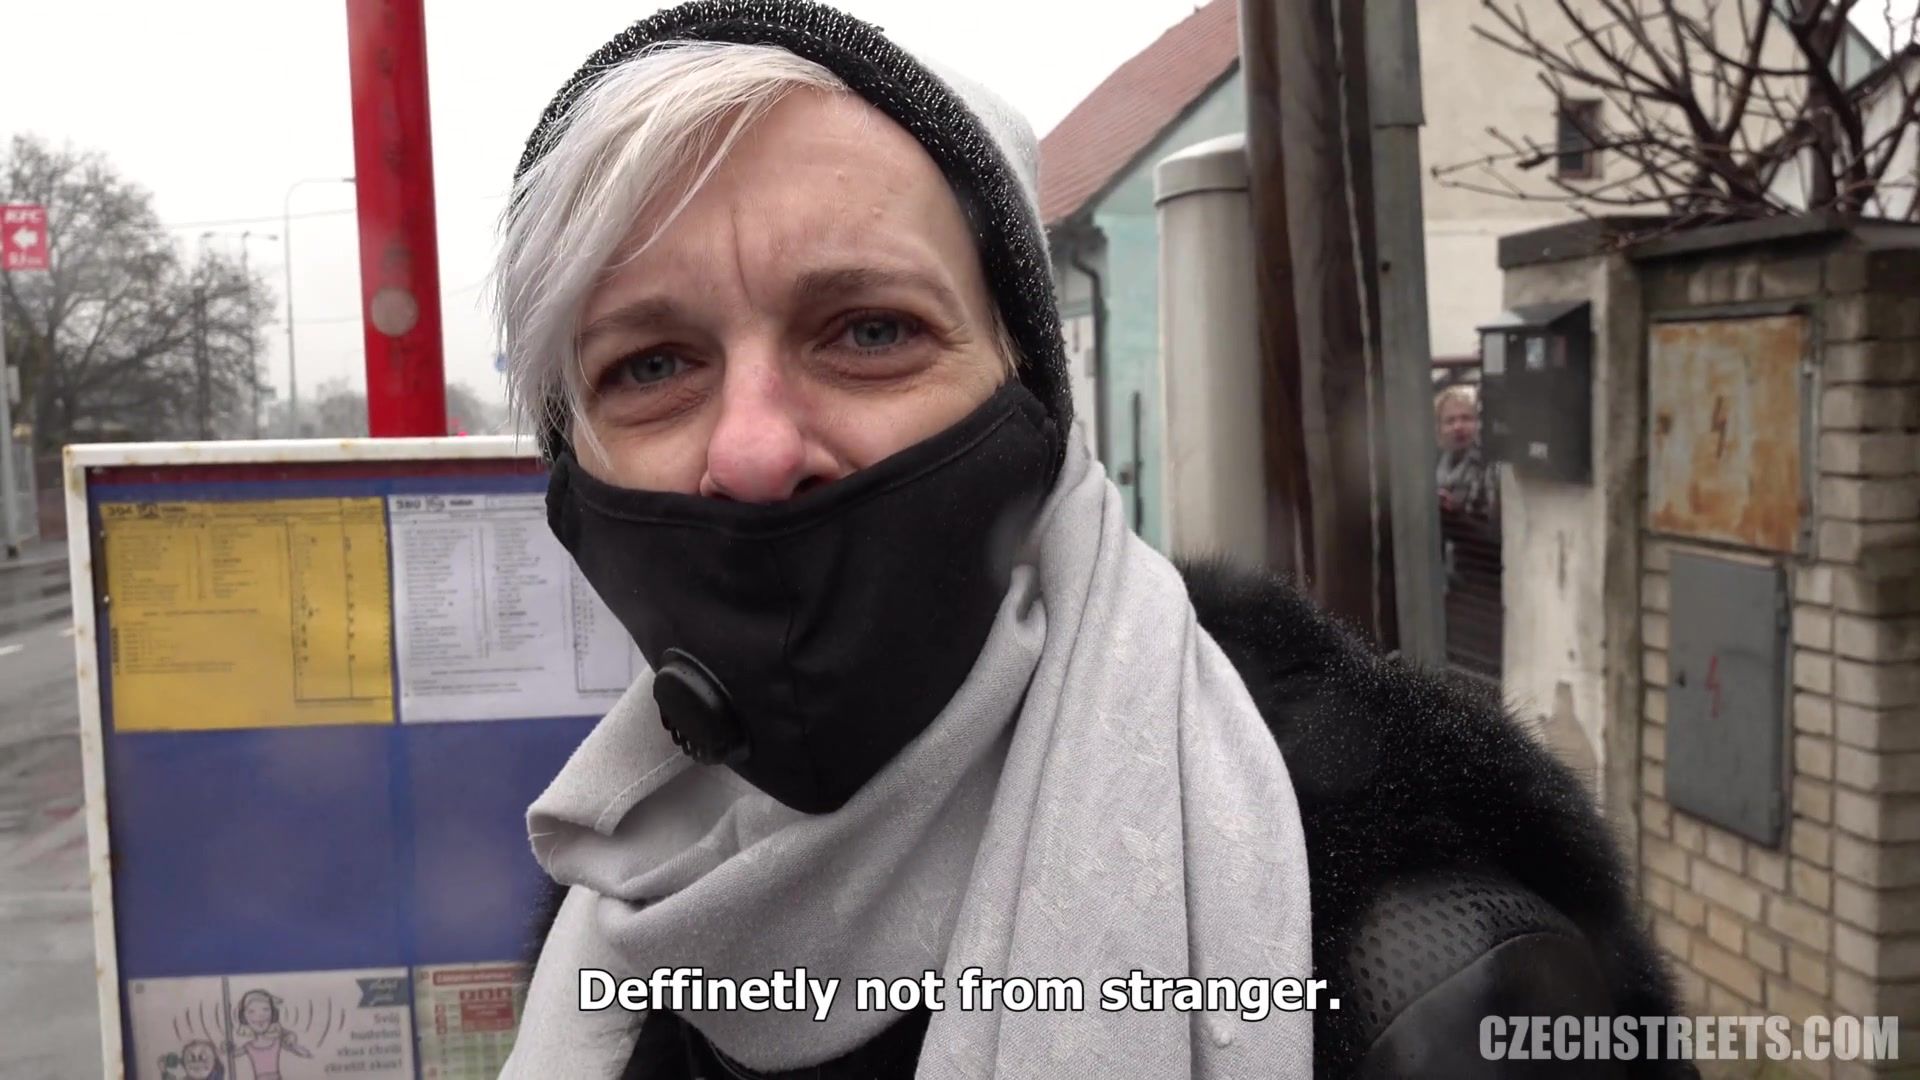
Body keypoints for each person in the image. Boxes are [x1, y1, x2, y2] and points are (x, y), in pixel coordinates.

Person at [498, 3, 1691, 1077]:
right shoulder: (624, 896)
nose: (757, 450)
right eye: (649, 366)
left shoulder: (1425, 961)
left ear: (1035, 407)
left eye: (870, 331)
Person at [1434, 385, 1495, 517]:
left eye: (1466, 418)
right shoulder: (1433, 461)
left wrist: (1456, 509)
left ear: (1478, 422)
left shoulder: (1490, 463)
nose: (1458, 427)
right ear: (1439, 428)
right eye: (1450, 421)